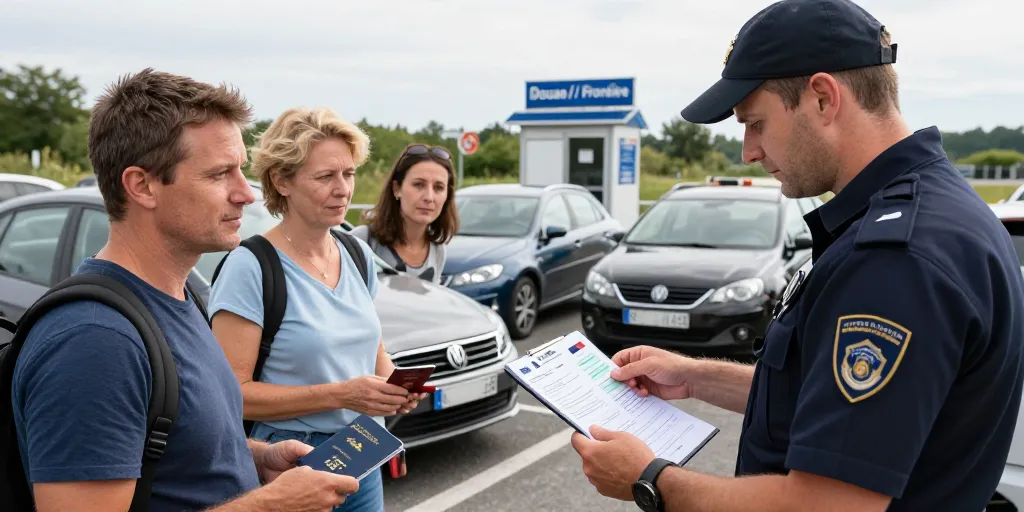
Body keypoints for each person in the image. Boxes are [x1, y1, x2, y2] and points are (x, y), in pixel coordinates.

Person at [569, 1, 1024, 511]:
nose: (749, 151)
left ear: (824, 99)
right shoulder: (936, 211)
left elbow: (827, 504)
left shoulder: (898, 260)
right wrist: (695, 375)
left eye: (756, 123)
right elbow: (833, 401)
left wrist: (649, 479)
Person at [10, 69, 358, 511]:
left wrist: (260, 458)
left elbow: (171, 449)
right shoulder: (95, 341)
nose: (246, 194)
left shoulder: (175, 297)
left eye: (239, 171)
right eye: (219, 175)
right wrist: (270, 506)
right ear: (143, 185)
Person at [208, 107, 427, 512]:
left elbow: (373, 348)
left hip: (365, 448)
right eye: (326, 177)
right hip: (289, 460)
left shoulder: (355, 252)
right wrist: (342, 395)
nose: (343, 189)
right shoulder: (250, 266)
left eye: (348, 174)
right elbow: (229, 397)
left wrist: (394, 387)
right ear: (281, 181)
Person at [350, 143, 459, 284]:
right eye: (419, 185)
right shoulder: (361, 241)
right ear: (397, 189)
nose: (429, 197)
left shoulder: (438, 250)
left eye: (439, 187)